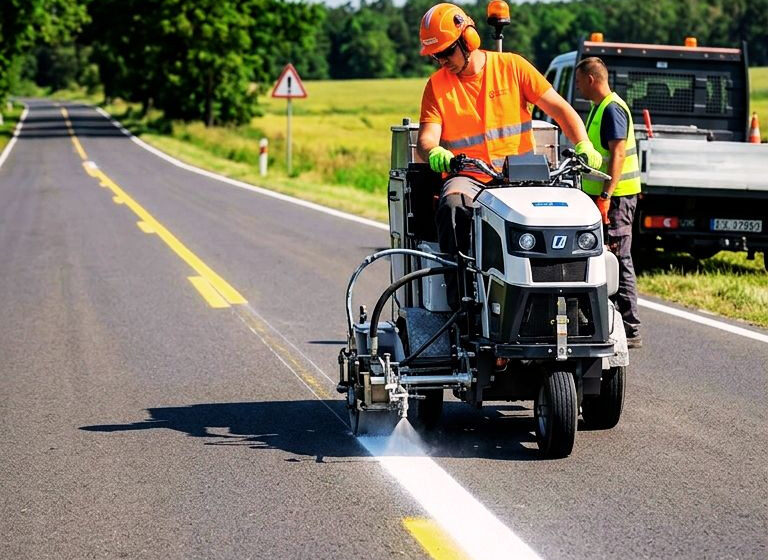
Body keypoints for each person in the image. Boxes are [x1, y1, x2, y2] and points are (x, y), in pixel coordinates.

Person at [415, 3, 602, 310]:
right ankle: (463, 304)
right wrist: (434, 151)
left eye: (446, 52)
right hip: (470, 176)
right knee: (452, 206)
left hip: (521, 178)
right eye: (436, 56)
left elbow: (560, 109)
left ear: (468, 40)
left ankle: (560, 301)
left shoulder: (513, 67)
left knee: (561, 218)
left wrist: (584, 143)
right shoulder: (436, 86)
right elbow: (426, 138)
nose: (442, 61)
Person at [574, 56, 642, 348]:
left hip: (615, 197)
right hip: (603, 197)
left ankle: (630, 327)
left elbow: (617, 154)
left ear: (591, 79)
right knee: (602, 257)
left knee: (618, 257)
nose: (578, 87)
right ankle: (604, 320)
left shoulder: (612, 109)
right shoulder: (598, 108)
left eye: (579, 82)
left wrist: (605, 196)